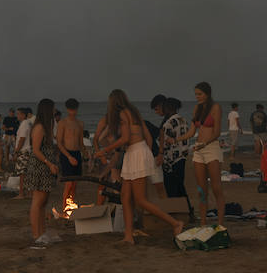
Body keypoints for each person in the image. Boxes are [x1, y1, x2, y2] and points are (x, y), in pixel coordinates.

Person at [93, 89, 182, 245]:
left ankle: (175, 223)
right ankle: (128, 236)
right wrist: (147, 153)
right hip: (135, 152)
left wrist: (105, 150)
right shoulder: (133, 112)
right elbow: (147, 135)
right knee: (125, 197)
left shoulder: (122, 114)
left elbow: (126, 138)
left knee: (140, 200)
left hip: (136, 153)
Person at [23, 99, 62, 246]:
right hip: (39, 167)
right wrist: (49, 163)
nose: (55, 111)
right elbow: (36, 150)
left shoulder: (47, 127)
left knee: (43, 202)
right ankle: (36, 234)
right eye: (53, 109)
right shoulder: (39, 127)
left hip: (46, 168)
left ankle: (42, 232)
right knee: (37, 202)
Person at [190, 82, 227, 225]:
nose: (197, 97)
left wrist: (205, 144)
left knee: (216, 188)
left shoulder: (215, 107)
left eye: (199, 94)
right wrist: (176, 139)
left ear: (207, 94)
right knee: (201, 190)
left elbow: (217, 132)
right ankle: (203, 222)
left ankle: (220, 223)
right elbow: (192, 131)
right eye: (196, 94)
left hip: (211, 148)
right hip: (198, 150)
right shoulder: (197, 108)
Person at [56, 99, 83, 213]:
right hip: (66, 153)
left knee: (75, 183)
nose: (73, 112)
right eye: (71, 109)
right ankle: (64, 208)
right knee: (69, 183)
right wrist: (68, 156)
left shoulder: (80, 123)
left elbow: (80, 142)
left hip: (77, 153)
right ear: (67, 109)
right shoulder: (63, 123)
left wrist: (86, 153)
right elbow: (59, 142)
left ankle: (71, 206)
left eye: (75, 109)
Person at [14, 107, 34, 199]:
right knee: (27, 172)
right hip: (27, 150)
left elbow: (22, 139)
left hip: (23, 151)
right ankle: (29, 192)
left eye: (18, 114)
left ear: (22, 115)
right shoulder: (27, 123)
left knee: (22, 173)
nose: (17, 115)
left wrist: (16, 151)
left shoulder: (24, 124)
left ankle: (21, 193)